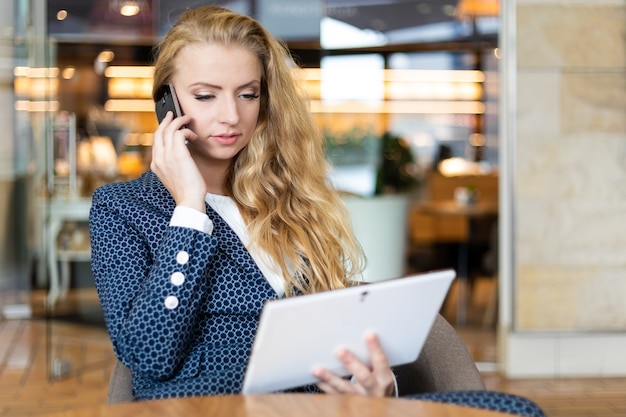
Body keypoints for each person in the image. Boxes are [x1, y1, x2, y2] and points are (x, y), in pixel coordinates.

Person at [89, 5, 397, 401]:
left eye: (247, 94)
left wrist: (368, 384)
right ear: (167, 103)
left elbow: (329, 331)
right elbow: (149, 354)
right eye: (205, 96)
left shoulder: (288, 198)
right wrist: (188, 209)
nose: (231, 116)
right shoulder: (123, 208)